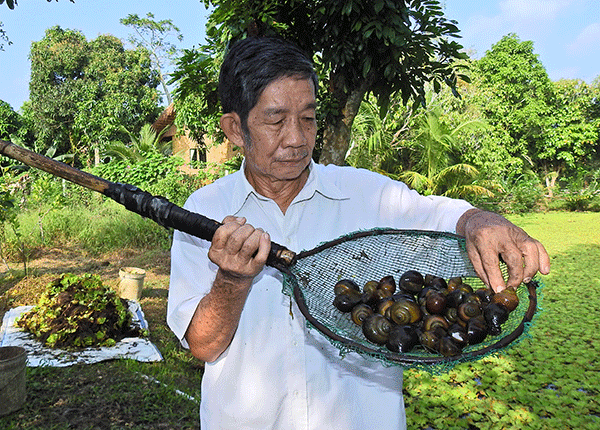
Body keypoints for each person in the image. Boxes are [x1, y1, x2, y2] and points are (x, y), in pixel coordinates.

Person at [167, 36, 550, 430]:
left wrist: (479, 222)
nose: (298, 138)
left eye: (309, 118)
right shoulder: (205, 212)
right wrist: (231, 280)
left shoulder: (366, 194)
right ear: (234, 128)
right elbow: (203, 344)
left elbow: (438, 214)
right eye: (276, 120)